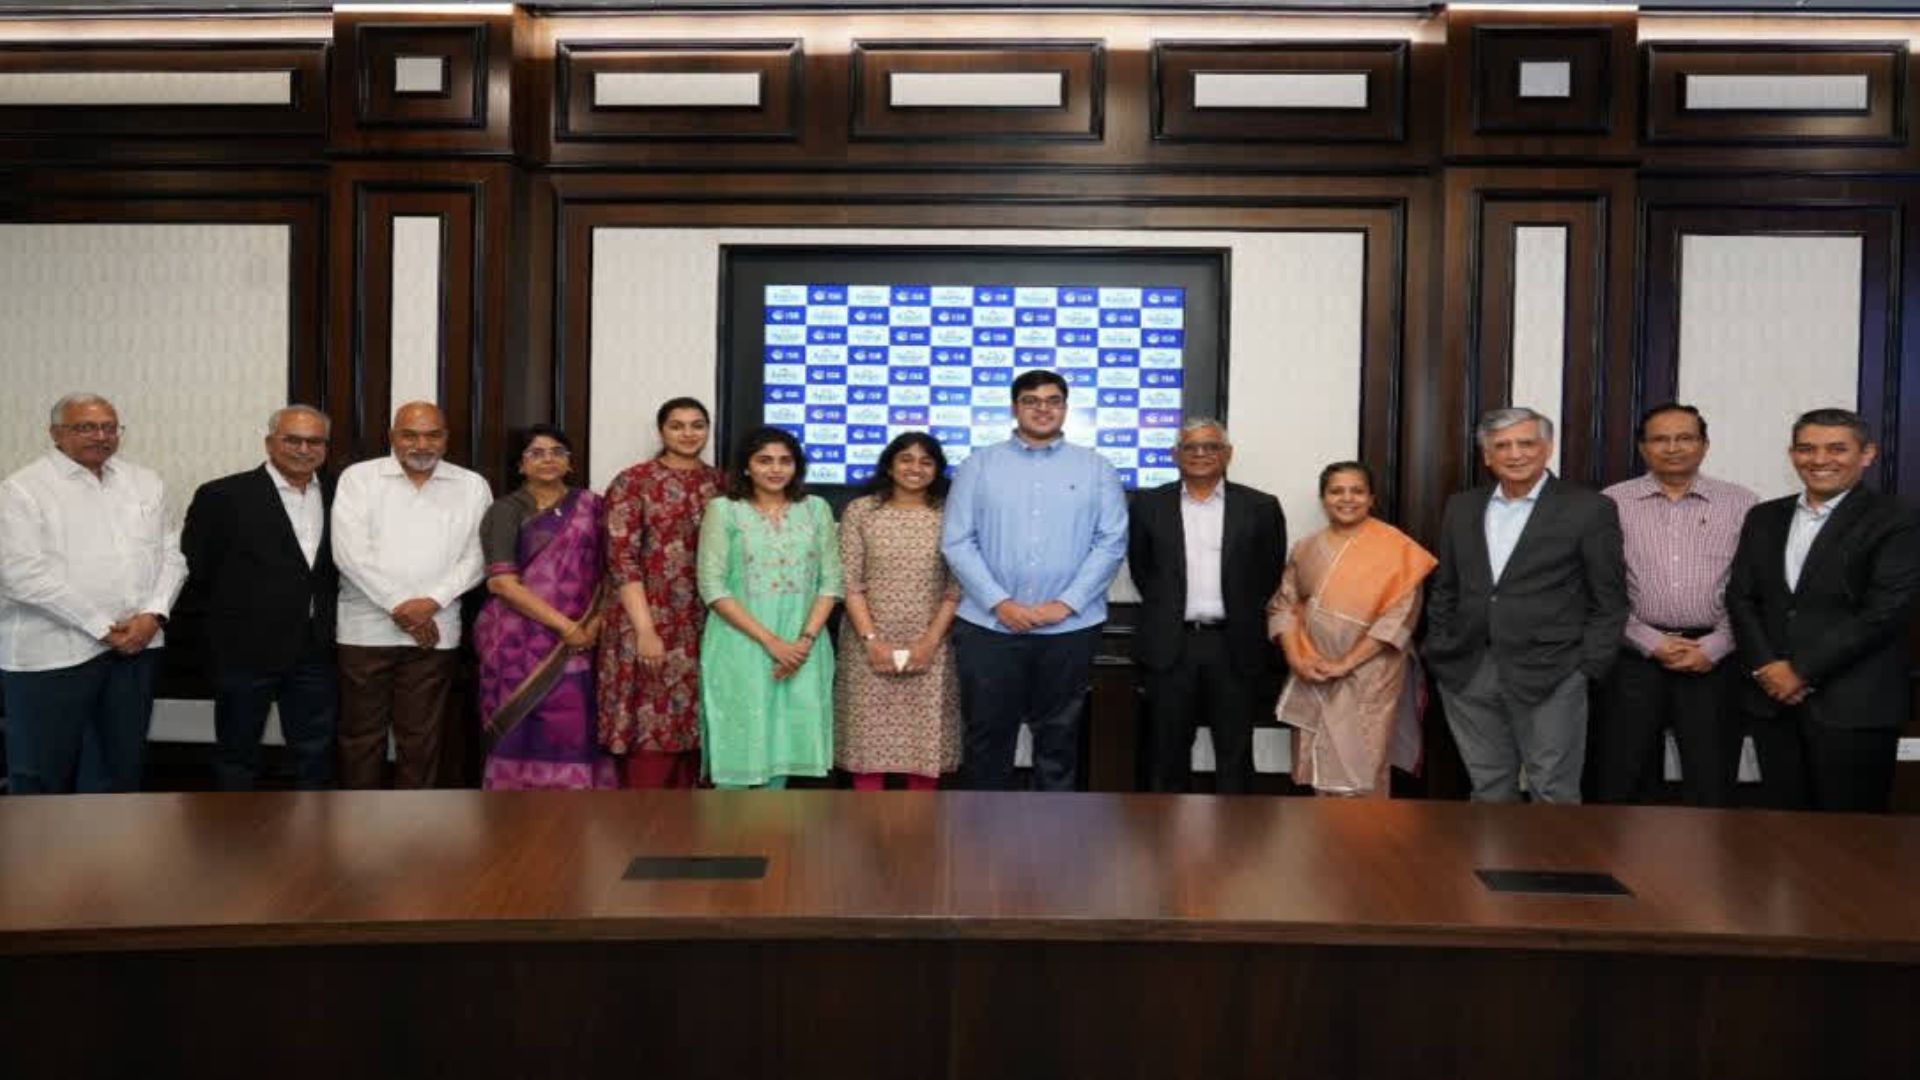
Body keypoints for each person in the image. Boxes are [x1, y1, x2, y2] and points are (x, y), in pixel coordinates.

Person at [1424, 407, 1627, 804]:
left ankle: (1548, 867)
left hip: (1553, 670)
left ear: (1547, 448)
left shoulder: (1588, 509)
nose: (1515, 454)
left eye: (1526, 443)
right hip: (1468, 668)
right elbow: (1446, 587)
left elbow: (1610, 599)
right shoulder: (1462, 507)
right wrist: (1439, 647)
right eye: (1502, 446)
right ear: (1487, 456)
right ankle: (1490, 867)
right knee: (1487, 787)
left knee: (1552, 788)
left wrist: (1587, 668)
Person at [941, 369, 1128, 791]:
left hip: (1070, 626)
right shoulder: (979, 465)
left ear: (1064, 408)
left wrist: (1065, 604)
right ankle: (983, 838)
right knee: (987, 735)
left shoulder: (1097, 468)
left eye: (1052, 400)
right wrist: (999, 602)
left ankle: (1051, 842)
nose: (1042, 408)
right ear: (1014, 407)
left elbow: (1111, 543)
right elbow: (957, 542)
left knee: (1059, 737)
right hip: (988, 626)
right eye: (1031, 400)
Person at [1726, 407, 1920, 812]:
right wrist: (1767, 667)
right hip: (1773, 704)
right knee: (1783, 835)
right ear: (1792, 454)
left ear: (1867, 454)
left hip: (1855, 704)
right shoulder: (1764, 517)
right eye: (1806, 448)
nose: (1819, 459)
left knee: (1852, 840)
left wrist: (1800, 671)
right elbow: (1741, 598)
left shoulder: (1898, 519)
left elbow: (1885, 612)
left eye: (1837, 449)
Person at [0, 393, 186, 794]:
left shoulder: (145, 482)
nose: (100, 436)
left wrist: (153, 615)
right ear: (55, 434)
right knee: (40, 774)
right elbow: (19, 574)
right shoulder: (22, 490)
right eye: (85, 427)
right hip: (52, 654)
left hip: (136, 648)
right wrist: (102, 627)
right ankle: (35, 858)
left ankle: (108, 858)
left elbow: (173, 555)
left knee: (119, 770)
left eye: (109, 427)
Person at [1597, 404, 1756, 807]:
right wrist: (1649, 641)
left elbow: (1756, 588)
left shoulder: (1743, 503)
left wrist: (1717, 646)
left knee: (1712, 779)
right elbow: (1598, 587)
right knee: (1622, 775)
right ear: (1643, 448)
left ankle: (1707, 869)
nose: (1673, 447)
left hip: (1715, 660)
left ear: (1704, 446)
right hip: (1633, 656)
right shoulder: (1611, 502)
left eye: (1685, 438)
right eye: (1660, 439)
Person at [330, 401, 491, 789]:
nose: (422, 444)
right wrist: (401, 607)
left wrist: (430, 604)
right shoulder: (360, 479)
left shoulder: (471, 485)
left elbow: (478, 556)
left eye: (432, 434)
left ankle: (415, 830)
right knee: (360, 738)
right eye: (410, 434)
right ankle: (358, 829)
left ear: (446, 439)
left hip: (436, 631)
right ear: (392, 437)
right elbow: (349, 553)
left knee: (421, 740)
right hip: (364, 631)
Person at [180, 405, 339, 790]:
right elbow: (196, 573)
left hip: (315, 650)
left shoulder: (342, 495)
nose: (304, 449)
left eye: (314, 441)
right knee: (236, 754)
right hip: (243, 652)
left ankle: (314, 843)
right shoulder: (222, 496)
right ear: (270, 443)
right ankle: (235, 841)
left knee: (315, 754)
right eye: (292, 439)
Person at [1127, 418, 1286, 794]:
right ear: (1174, 455)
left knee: (1234, 750)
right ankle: (1166, 840)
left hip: (1233, 644)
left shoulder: (1260, 506)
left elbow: (1268, 573)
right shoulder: (1149, 505)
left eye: (1211, 446)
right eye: (1190, 447)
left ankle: (1235, 842)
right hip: (1171, 644)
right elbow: (1143, 570)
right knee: (1166, 751)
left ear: (1227, 454)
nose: (1201, 454)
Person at [1270, 461, 1435, 797]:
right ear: (1323, 499)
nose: (1347, 499)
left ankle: (1365, 848)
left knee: (1363, 768)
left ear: (1371, 498)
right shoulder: (1306, 547)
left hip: (1372, 675)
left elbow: (1398, 620)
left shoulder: (1397, 550)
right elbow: (1283, 606)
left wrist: (1344, 664)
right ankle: (1320, 848)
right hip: (1312, 670)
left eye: (1357, 491)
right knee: (1318, 766)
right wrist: (1297, 659)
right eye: (1336, 491)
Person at [697, 427, 841, 789]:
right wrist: (772, 643)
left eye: (785, 461)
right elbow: (712, 587)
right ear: (746, 467)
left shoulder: (815, 509)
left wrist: (803, 642)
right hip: (741, 642)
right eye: (764, 461)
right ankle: (727, 844)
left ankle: (774, 842)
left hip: (804, 645)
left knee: (786, 747)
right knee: (740, 743)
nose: (775, 469)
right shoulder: (724, 510)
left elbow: (830, 583)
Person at [473, 426, 616, 790]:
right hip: (515, 641)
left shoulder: (593, 506)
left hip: (583, 636)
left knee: (572, 722)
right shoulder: (505, 510)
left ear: (570, 463)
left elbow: (612, 571)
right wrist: (565, 627)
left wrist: (595, 622)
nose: (548, 458)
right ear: (521, 465)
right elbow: (502, 582)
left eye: (557, 452)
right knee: (520, 725)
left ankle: (572, 820)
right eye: (536, 453)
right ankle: (513, 822)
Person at [598, 398, 726, 789]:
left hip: (707, 619)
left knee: (699, 718)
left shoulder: (721, 483)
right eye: (677, 425)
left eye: (697, 425)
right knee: (650, 719)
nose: (688, 433)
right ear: (661, 431)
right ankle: (645, 824)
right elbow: (622, 560)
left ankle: (694, 828)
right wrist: (645, 629)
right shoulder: (633, 481)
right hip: (646, 617)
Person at [835, 432, 962, 791]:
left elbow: (956, 587)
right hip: (868, 641)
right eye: (906, 459)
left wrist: (929, 643)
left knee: (924, 743)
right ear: (890, 465)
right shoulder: (862, 511)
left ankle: (919, 835)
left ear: (937, 469)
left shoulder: (951, 515)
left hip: (932, 642)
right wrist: (872, 641)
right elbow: (850, 583)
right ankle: (865, 829)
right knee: (867, 741)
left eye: (926, 461)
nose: (915, 469)